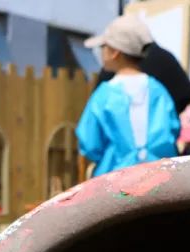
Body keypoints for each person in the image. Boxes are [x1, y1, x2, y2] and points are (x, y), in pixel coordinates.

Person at [76, 15, 180, 177]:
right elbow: (172, 131)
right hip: (158, 179)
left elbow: (90, 144)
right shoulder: (159, 91)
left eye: (104, 46)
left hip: (113, 181)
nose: (101, 51)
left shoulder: (104, 95)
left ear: (114, 52)